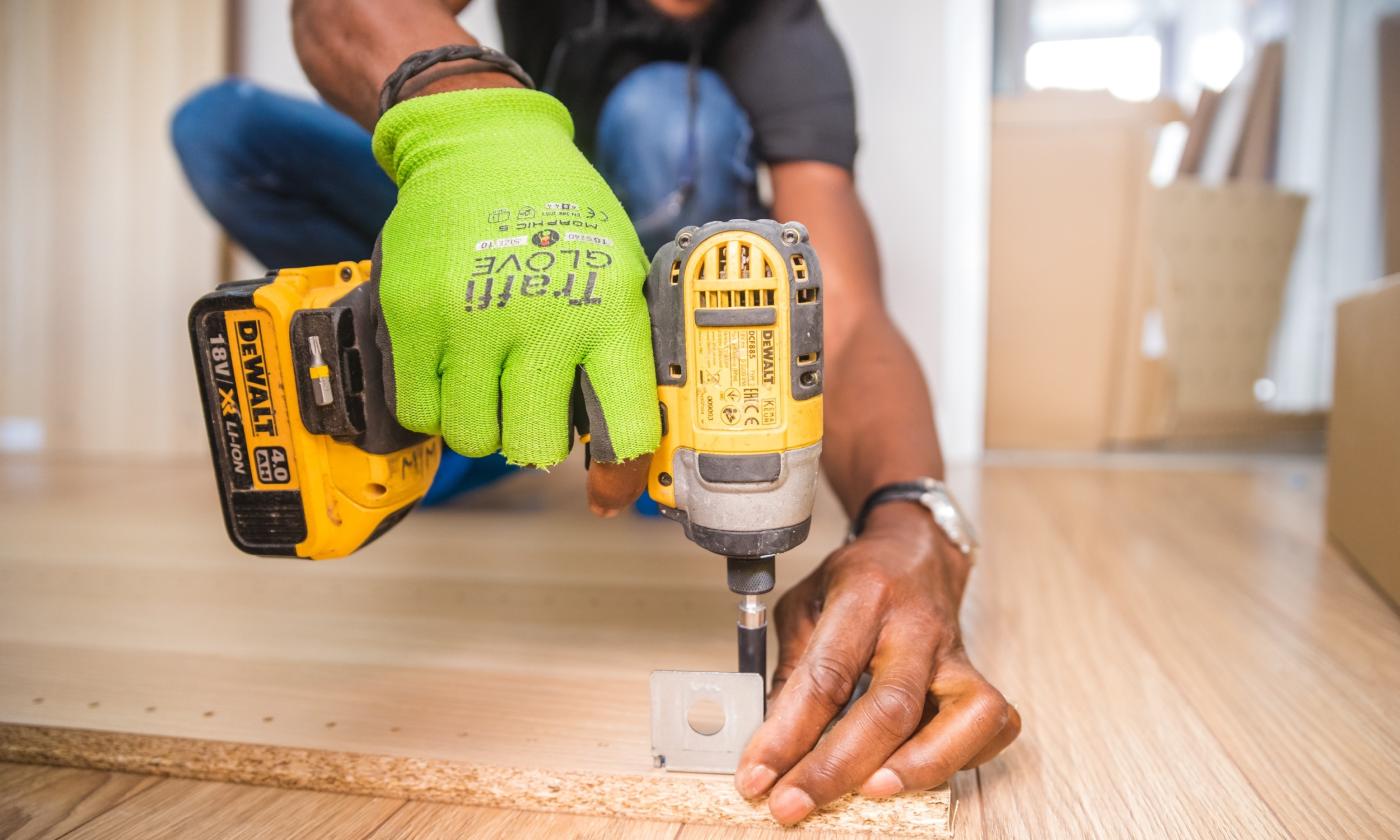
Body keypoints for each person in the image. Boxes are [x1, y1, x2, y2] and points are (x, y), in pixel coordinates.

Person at [170, 0, 1020, 825]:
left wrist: (912, 520)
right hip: (497, 230)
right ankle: (469, 394)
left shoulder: (787, 33)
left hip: (642, 323)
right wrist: (476, 124)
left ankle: (611, 422)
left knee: (666, 115)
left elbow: (848, 318)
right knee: (226, 129)